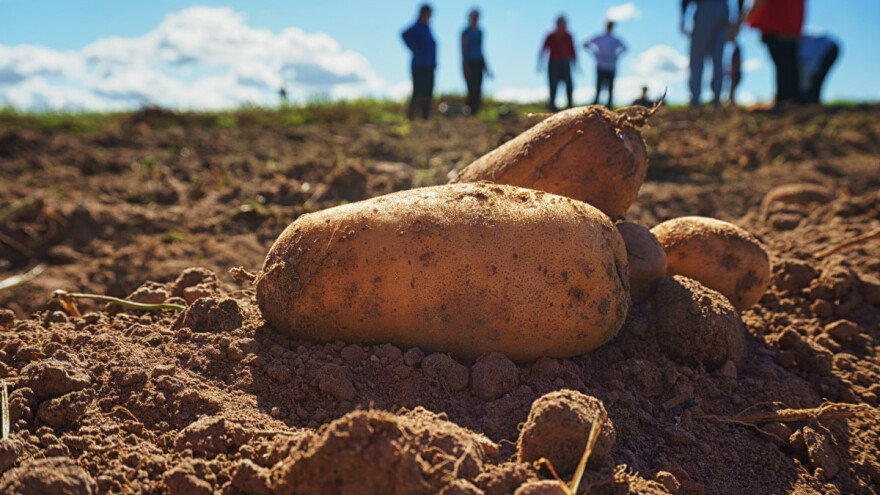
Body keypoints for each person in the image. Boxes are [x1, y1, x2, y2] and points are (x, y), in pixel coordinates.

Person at [732, 0, 805, 108]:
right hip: (791, 25)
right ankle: (789, 99)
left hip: (777, 24)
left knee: (783, 65)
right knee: (787, 66)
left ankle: (785, 101)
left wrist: (744, 18)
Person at [681, 0, 730, 107]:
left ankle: (695, 99)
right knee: (718, 57)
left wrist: (683, 16)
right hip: (723, 10)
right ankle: (716, 98)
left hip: (705, 8)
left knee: (697, 57)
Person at [402, 4, 437, 120]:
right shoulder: (417, 27)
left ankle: (425, 116)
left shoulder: (427, 28)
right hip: (419, 64)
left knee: (428, 89)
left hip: (429, 65)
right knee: (418, 90)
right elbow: (404, 35)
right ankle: (412, 116)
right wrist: (415, 49)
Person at [584, 21, 626, 108]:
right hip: (601, 66)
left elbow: (625, 48)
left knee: (610, 89)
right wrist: (594, 53)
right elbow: (585, 44)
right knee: (598, 88)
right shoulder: (599, 37)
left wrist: (616, 56)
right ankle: (595, 107)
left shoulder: (615, 40)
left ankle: (609, 108)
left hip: (611, 67)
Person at [538, 16, 577, 112]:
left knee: (569, 84)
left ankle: (570, 106)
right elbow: (543, 49)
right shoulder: (550, 35)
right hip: (554, 62)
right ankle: (552, 106)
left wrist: (575, 63)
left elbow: (573, 50)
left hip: (565, 62)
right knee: (553, 85)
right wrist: (540, 62)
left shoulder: (568, 36)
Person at [461, 9, 492, 115]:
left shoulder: (480, 32)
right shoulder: (465, 32)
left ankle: (475, 111)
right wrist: (464, 66)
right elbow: (463, 50)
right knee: (471, 87)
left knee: (478, 87)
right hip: (470, 62)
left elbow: (481, 49)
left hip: (478, 62)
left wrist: (486, 67)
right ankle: (470, 110)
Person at [798, 34, 838, 104]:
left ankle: (810, 106)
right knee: (808, 90)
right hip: (827, 46)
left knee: (807, 91)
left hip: (823, 50)